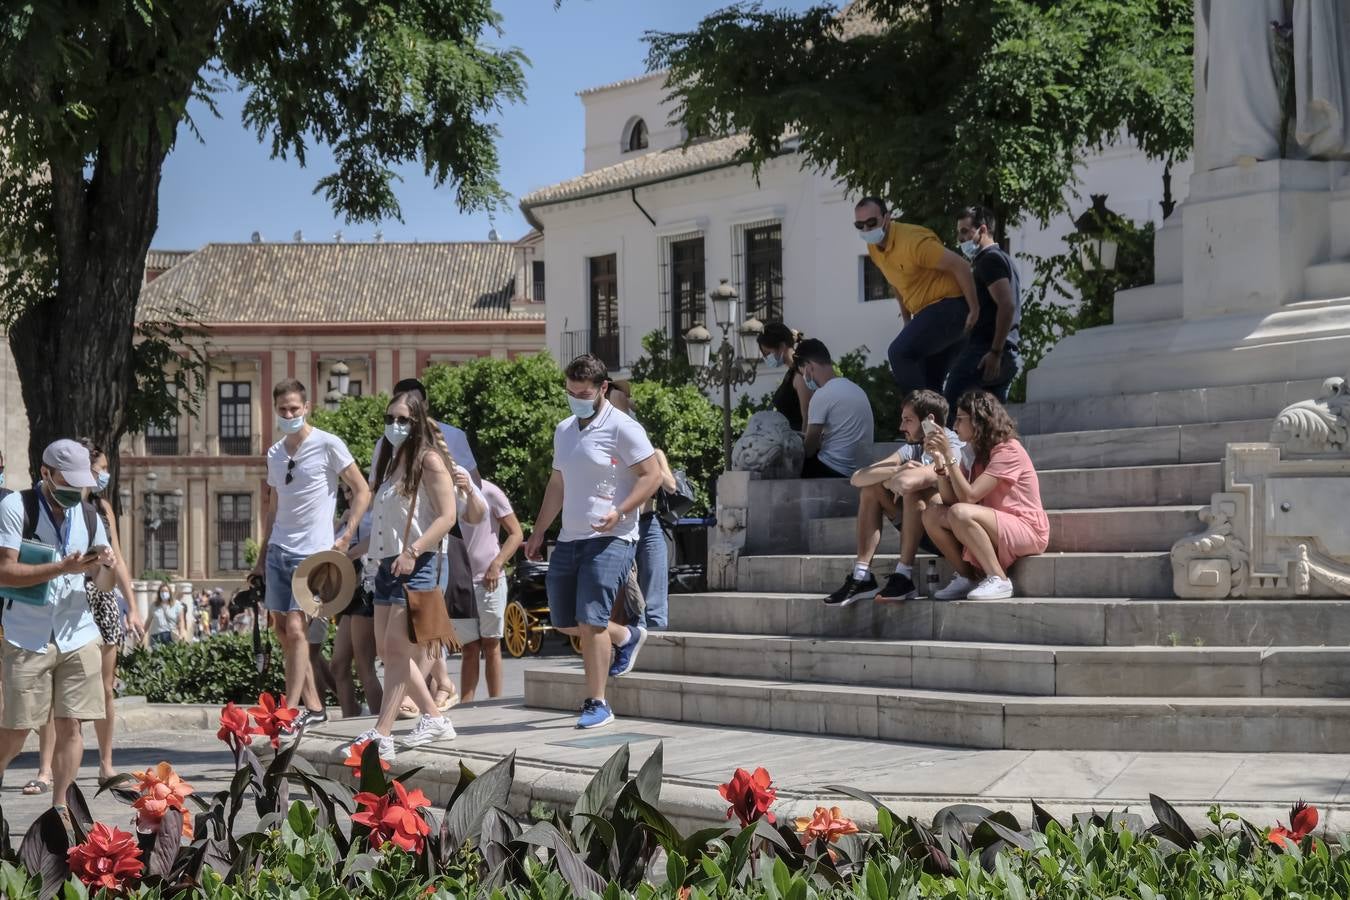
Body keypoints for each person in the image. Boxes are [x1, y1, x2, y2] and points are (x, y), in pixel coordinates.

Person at [524, 354, 663, 730]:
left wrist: (620, 511)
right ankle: (628, 636)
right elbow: (557, 483)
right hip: (570, 538)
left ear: (603, 389)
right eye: (570, 392)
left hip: (612, 537)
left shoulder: (623, 428)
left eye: (583, 393)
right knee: (565, 620)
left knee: (591, 619)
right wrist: (538, 531)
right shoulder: (564, 429)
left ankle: (597, 703)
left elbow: (652, 476)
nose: (576, 398)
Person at [343, 390, 467, 761]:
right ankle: (434, 718)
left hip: (416, 564)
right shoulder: (390, 460)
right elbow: (386, 526)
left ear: (417, 423)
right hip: (385, 565)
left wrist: (414, 551)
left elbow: (448, 517)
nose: (394, 425)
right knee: (388, 651)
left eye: (403, 420)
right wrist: (351, 551)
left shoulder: (429, 461)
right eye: (390, 418)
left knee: (397, 651)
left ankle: (382, 733)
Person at [0, 439, 116, 810]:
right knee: (17, 732)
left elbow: (103, 584)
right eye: (65, 485)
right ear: (45, 474)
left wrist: (106, 566)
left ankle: (60, 809)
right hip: (27, 633)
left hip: (78, 632)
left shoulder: (90, 516)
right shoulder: (16, 507)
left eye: (78, 486)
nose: (72, 494)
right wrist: (59, 568)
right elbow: (5, 571)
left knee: (72, 726)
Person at [254, 379, 371, 742]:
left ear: (307, 407)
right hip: (278, 550)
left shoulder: (328, 444)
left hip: (314, 554)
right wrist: (261, 556)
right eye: (282, 410)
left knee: (295, 628)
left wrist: (347, 534)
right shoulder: (274, 454)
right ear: (275, 411)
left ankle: (288, 712)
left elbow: (362, 489)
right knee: (281, 631)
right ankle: (315, 707)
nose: (289, 415)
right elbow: (273, 507)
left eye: (294, 408)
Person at [825, 391, 970, 606]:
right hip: (922, 528)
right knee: (870, 490)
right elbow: (858, 478)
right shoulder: (914, 446)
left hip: (949, 536)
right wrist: (895, 471)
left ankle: (904, 575)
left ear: (929, 420)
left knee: (913, 492)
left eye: (907, 420)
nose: (901, 427)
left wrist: (894, 478)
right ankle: (861, 575)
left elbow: (907, 484)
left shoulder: (953, 447)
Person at [922, 390, 1049, 601]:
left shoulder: (1008, 450)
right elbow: (950, 501)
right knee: (931, 514)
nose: (954, 426)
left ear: (979, 420)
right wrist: (940, 464)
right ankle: (968, 577)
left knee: (961, 512)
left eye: (960, 420)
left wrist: (948, 455)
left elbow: (968, 498)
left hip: (1027, 528)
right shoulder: (972, 452)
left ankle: (998, 578)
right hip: (993, 523)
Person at [855, 196, 979, 396]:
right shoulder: (874, 248)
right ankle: (935, 427)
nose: (867, 230)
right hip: (930, 315)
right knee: (930, 383)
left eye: (871, 223)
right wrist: (907, 321)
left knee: (898, 353)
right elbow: (896, 283)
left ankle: (921, 415)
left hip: (951, 308)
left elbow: (961, 266)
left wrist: (974, 309)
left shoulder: (914, 242)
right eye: (860, 226)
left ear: (886, 218)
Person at [604, 387, 677, 633]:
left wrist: (654, 463)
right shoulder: (615, 454)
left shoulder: (655, 454)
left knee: (655, 580)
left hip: (649, 521)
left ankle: (656, 633)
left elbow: (670, 485)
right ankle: (632, 632)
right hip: (624, 526)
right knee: (627, 587)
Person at [943, 206, 1021, 410]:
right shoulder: (1005, 260)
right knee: (989, 425)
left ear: (983, 230)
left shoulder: (989, 261)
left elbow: (1007, 305)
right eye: (959, 232)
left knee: (951, 411)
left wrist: (995, 352)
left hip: (984, 353)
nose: (960, 239)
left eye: (965, 231)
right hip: (1005, 353)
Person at [454, 478, 523, 702]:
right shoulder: (443, 490)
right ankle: (466, 704)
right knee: (469, 647)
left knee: (491, 643)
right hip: (460, 581)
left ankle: (495, 701)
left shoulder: (491, 491)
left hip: (489, 579)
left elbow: (516, 533)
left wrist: (497, 564)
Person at [332, 487, 382, 718]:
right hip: (349, 593)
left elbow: (379, 541)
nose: (349, 496)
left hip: (369, 590)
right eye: (345, 492)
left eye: (353, 490)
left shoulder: (375, 514)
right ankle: (350, 716)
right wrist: (340, 525)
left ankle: (382, 721)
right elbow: (329, 548)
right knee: (339, 664)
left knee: (364, 666)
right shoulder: (348, 520)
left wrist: (350, 549)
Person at [797, 339, 875, 479]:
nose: (804, 378)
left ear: (808, 367)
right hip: (861, 470)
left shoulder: (821, 395)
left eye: (803, 373)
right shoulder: (855, 388)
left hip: (832, 470)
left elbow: (809, 449)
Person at [756, 323, 811, 431]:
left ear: (782, 346)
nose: (766, 358)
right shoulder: (791, 372)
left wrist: (805, 446)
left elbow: (808, 418)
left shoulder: (800, 374)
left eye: (768, 353)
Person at [148, 582, 178, 647]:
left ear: (170, 593)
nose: (164, 593)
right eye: (162, 591)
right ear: (159, 593)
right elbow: (148, 620)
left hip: (169, 635)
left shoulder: (175, 605)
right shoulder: (154, 605)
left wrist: (181, 633)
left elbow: (180, 621)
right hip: (155, 635)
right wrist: (143, 632)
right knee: (156, 656)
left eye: (166, 591)